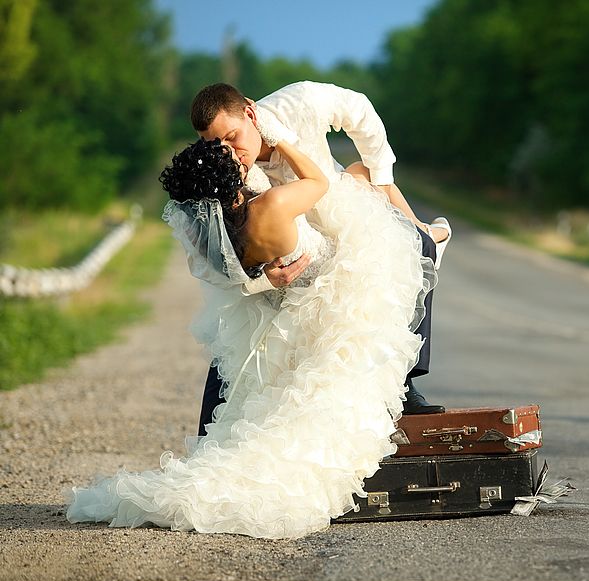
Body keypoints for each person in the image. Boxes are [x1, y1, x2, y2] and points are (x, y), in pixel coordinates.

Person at [65, 132, 436, 539]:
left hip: (287, 303)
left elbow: (231, 277)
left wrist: (261, 275)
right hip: (330, 287)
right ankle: (428, 233)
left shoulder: (217, 232)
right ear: (235, 177)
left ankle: (428, 233)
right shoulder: (272, 206)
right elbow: (319, 182)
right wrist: (289, 145)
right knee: (377, 203)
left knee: (272, 388)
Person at [190, 82, 450, 430]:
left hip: (339, 209)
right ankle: (215, 433)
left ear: (251, 114)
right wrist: (260, 280)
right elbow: (212, 253)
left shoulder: (300, 103)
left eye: (232, 137)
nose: (228, 152)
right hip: (293, 251)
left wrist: (383, 181)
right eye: (215, 144)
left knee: (412, 253)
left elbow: (360, 111)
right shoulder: (223, 171)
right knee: (243, 333)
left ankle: (404, 384)